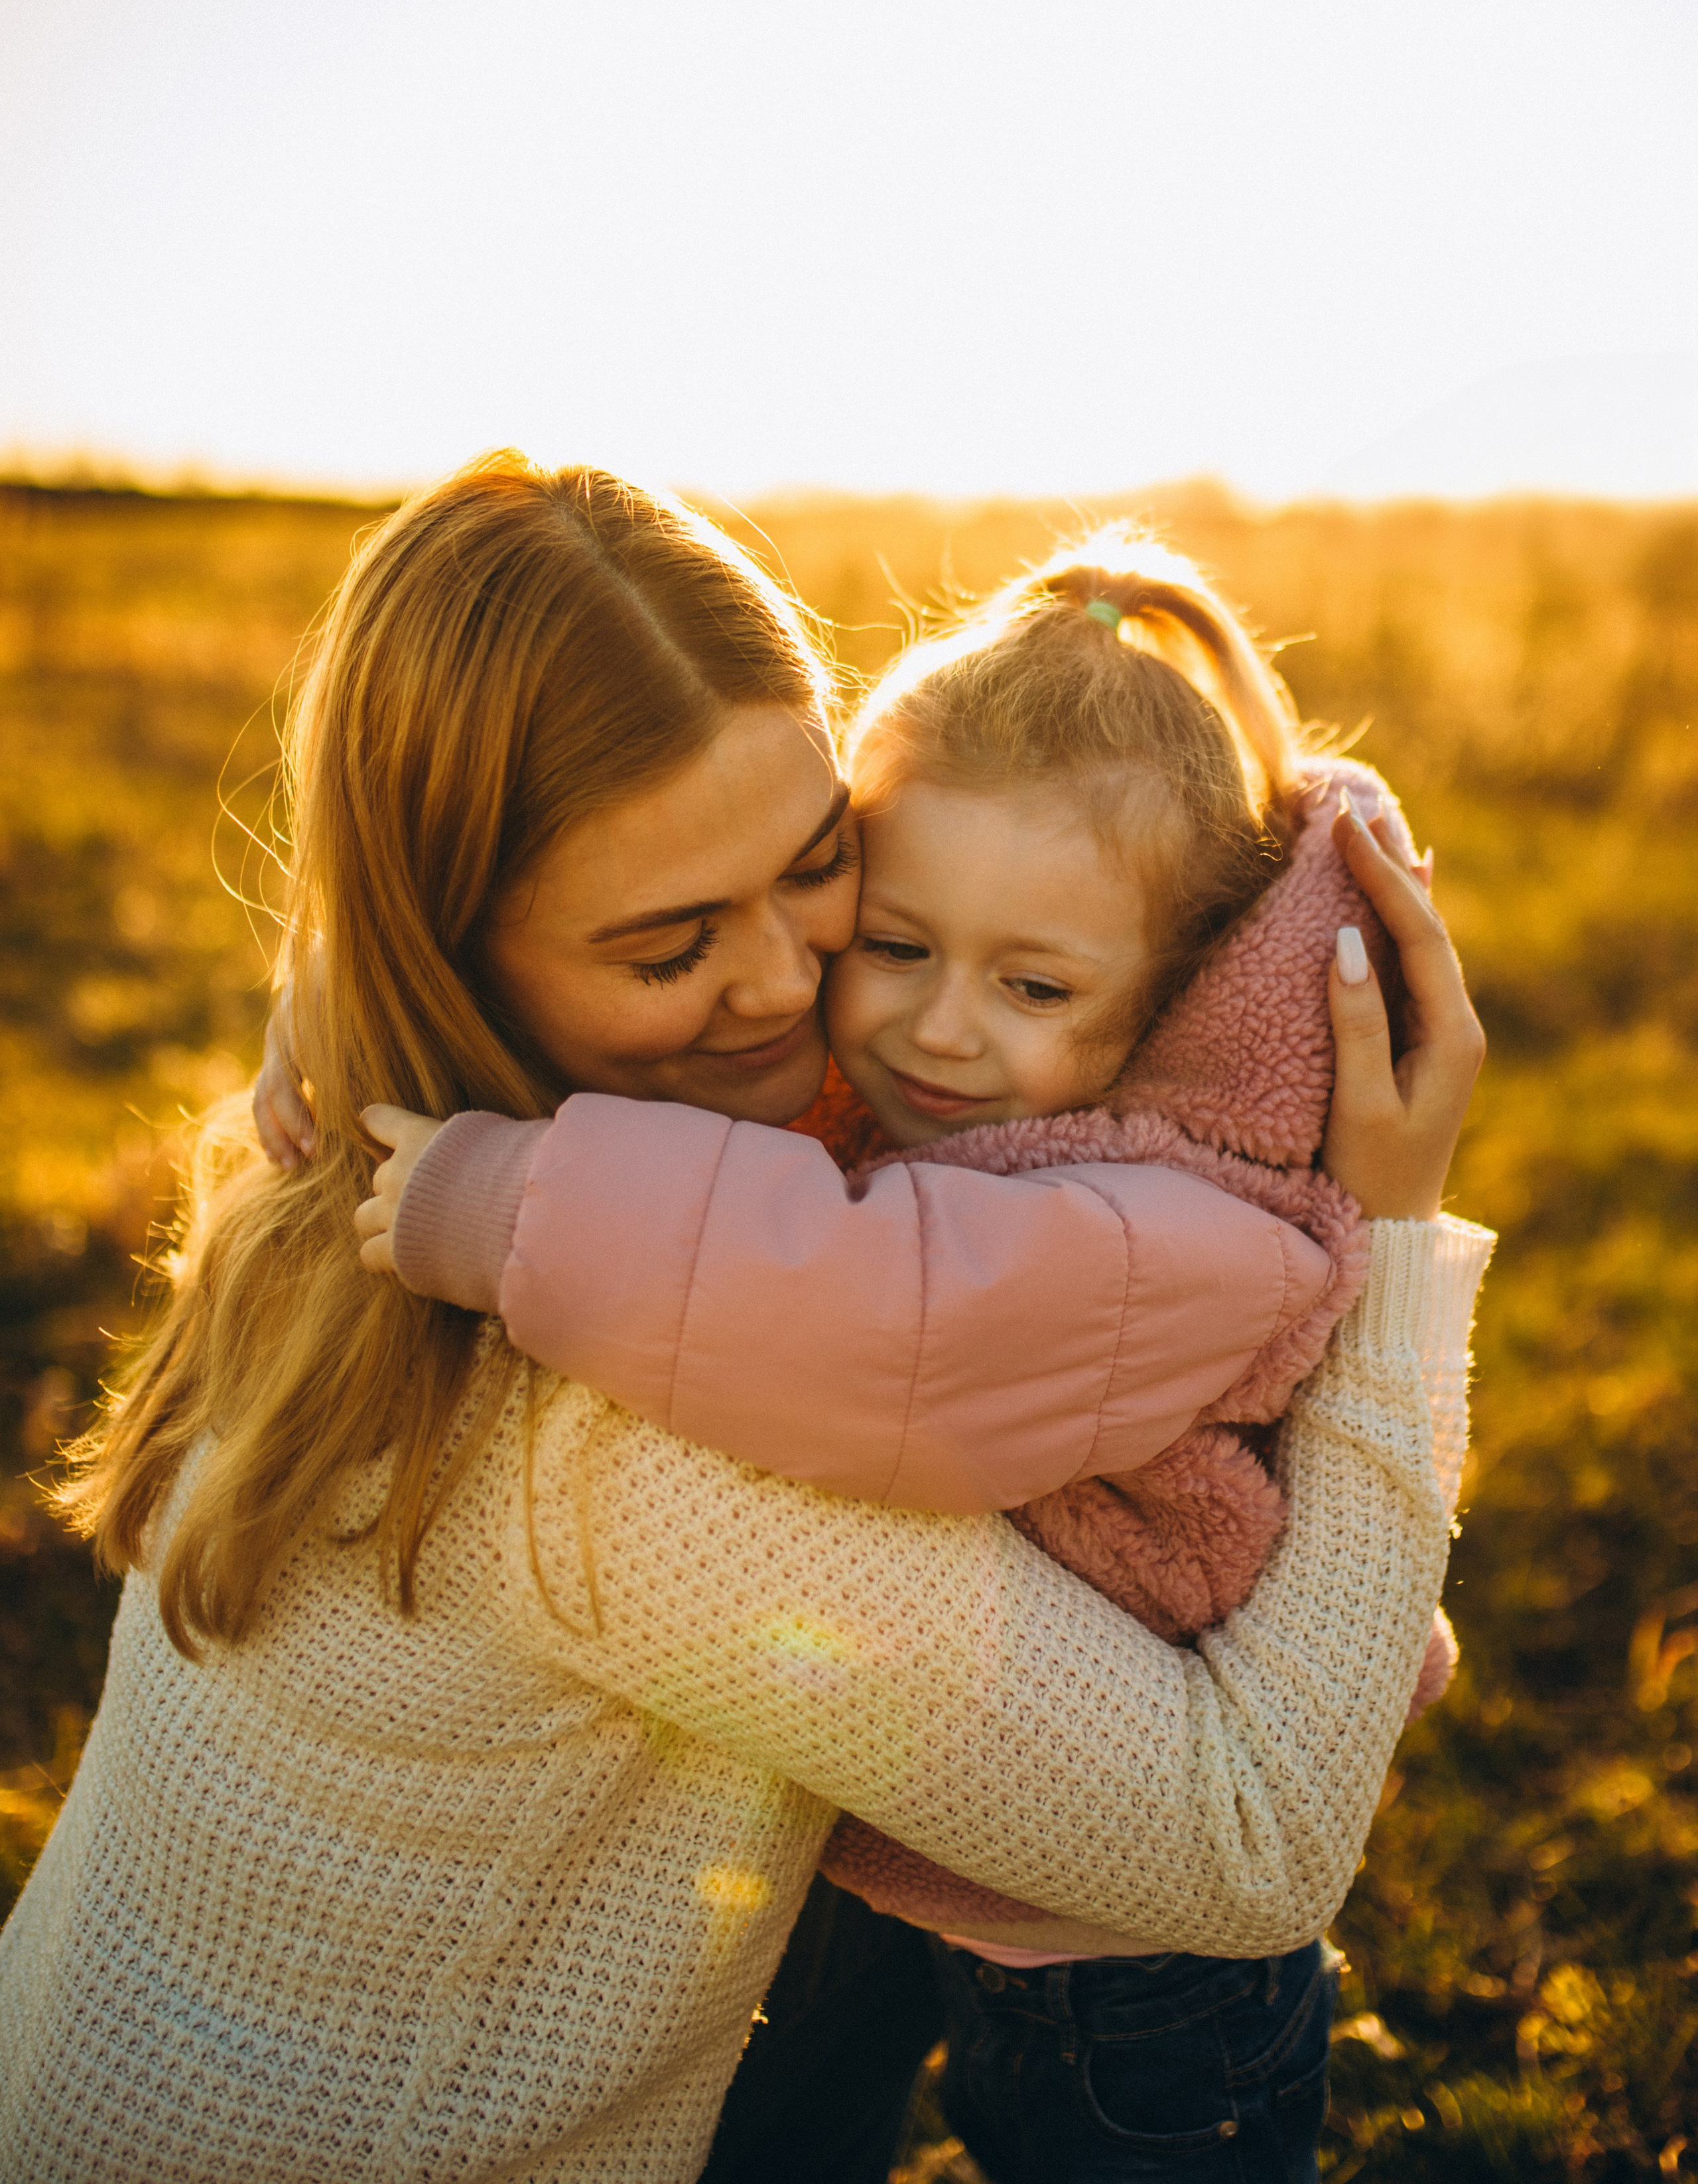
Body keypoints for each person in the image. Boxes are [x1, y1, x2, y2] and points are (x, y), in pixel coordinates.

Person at [0, 455, 1487, 2184]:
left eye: (816, 864)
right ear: (457, 953)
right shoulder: (621, 1432)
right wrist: (1382, 1233)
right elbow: (1260, 1841)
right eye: (671, 946)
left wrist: (333, 970)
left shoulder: (321, 1162)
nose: (794, 986)